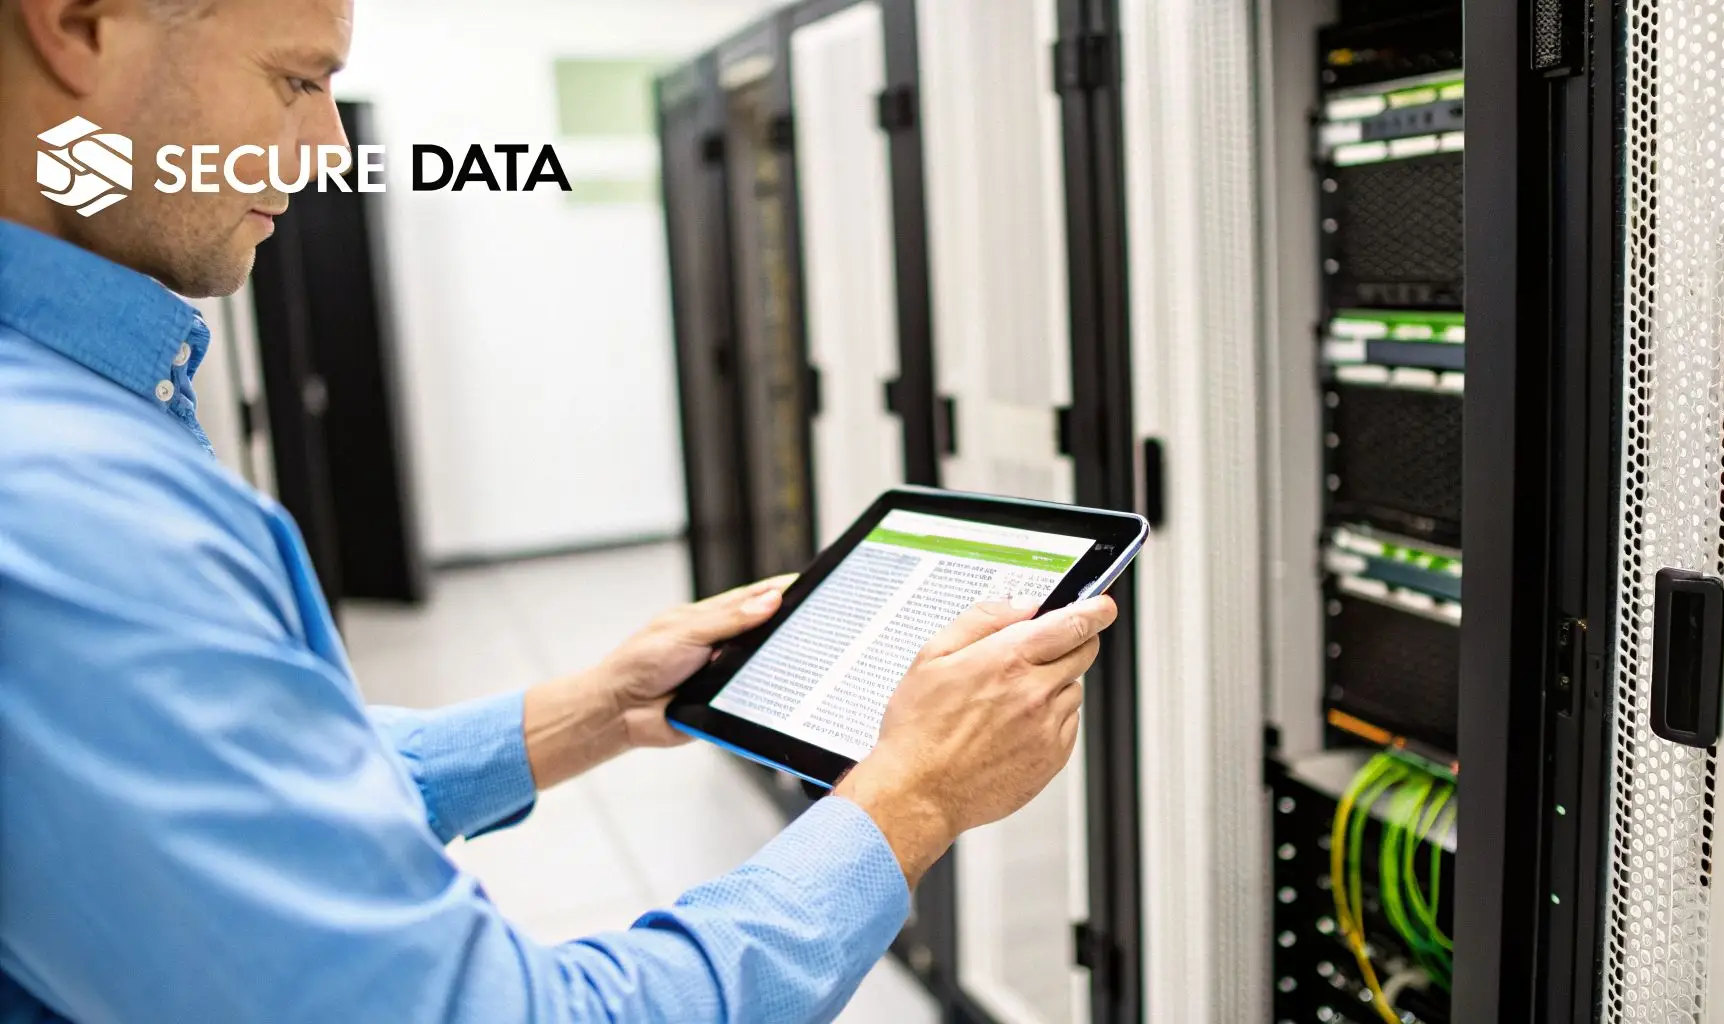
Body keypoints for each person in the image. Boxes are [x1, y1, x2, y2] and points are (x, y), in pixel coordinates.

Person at [0, 0, 1120, 1021]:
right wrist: (911, 796)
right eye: (297, 80)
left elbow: (252, 791)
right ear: (81, 24)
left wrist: (584, 713)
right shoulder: (73, 512)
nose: (332, 150)